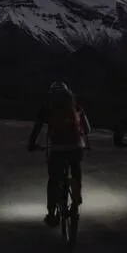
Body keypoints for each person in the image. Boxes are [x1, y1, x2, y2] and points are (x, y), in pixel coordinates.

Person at [28, 81, 91, 227]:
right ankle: (76, 193)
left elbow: (37, 128)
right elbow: (87, 129)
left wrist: (32, 144)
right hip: (76, 147)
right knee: (75, 168)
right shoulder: (76, 106)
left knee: (54, 179)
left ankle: (51, 213)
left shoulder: (47, 108)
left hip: (57, 149)